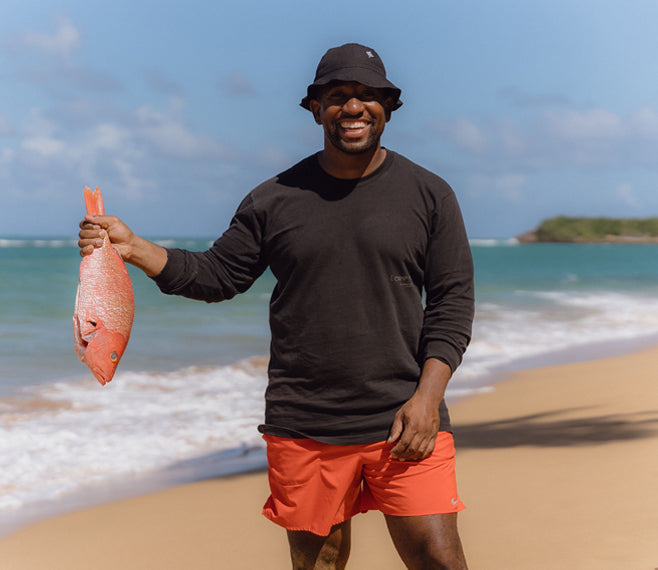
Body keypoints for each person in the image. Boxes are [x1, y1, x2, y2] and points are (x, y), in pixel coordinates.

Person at [78, 43, 474, 570]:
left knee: (439, 562)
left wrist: (428, 399)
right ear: (314, 109)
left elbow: (451, 303)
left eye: (366, 96)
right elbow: (217, 276)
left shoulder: (430, 194)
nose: (352, 107)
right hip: (304, 421)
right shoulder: (274, 198)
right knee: (319, 566)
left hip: (405, 418)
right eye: (337, 96)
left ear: (388, 106)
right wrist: (132, 249)